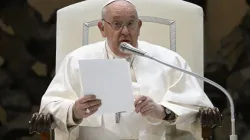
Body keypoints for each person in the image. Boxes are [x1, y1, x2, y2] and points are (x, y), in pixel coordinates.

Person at [39, 0, 214, 139]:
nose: (125, 32)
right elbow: (49, 108)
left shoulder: (168, 60)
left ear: (139, 26)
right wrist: (74, 111)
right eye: (116, 24)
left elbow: (197, 108)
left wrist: (163, 111)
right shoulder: (76, 60)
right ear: (102, 28)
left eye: (130, 24)